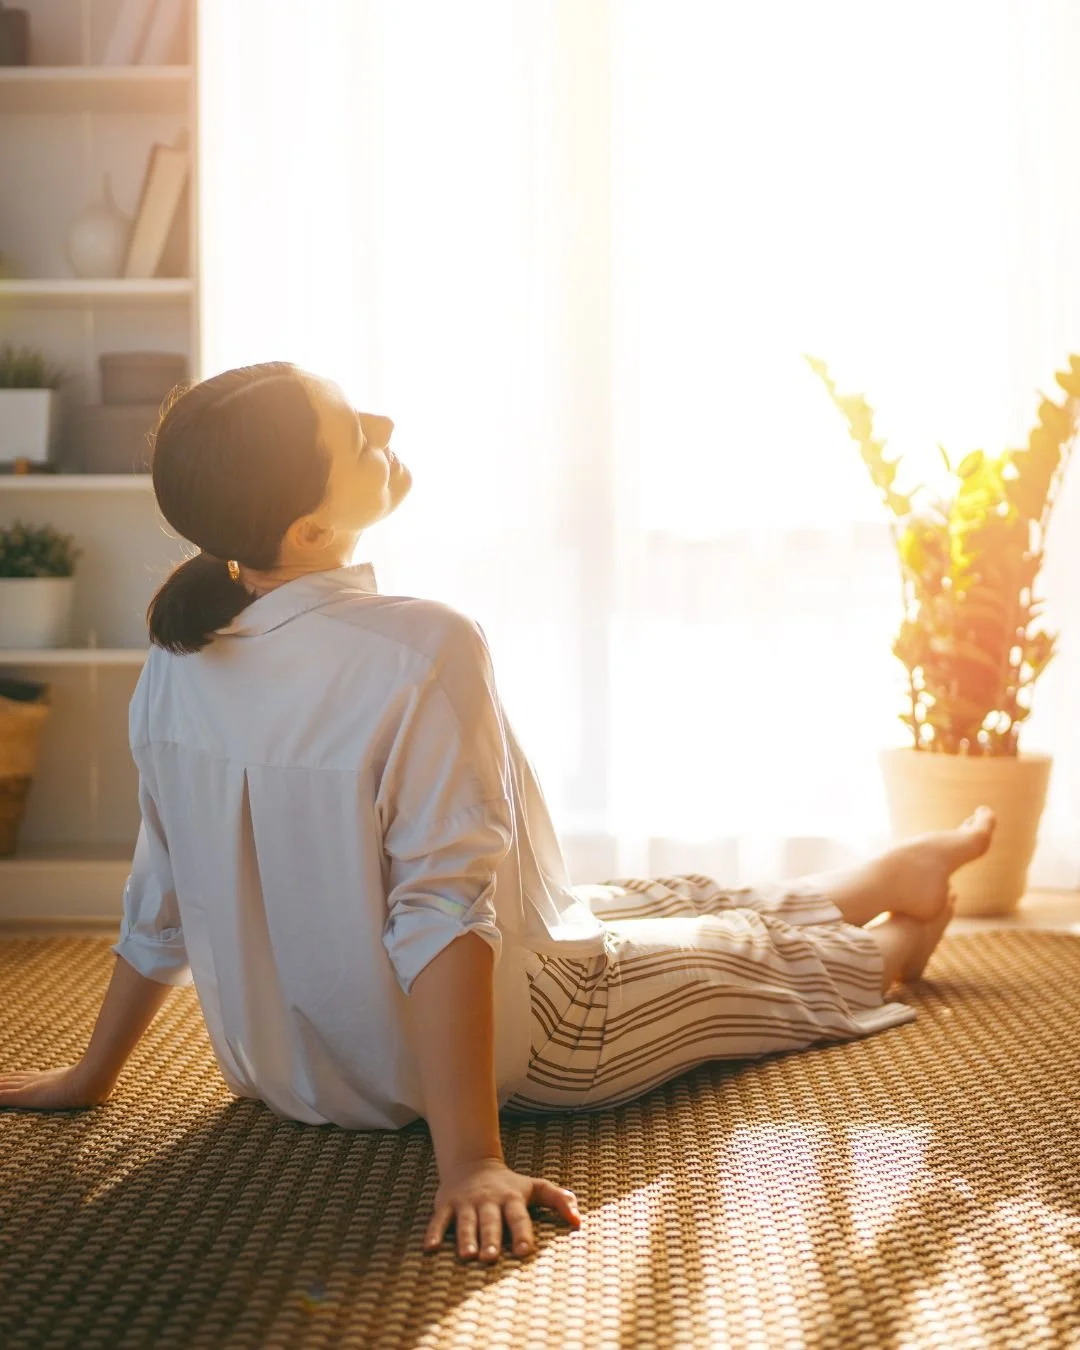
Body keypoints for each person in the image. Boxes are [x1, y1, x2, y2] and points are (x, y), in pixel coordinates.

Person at [0, 362, 996, 1266]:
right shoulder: (421, 647)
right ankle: (898, 940)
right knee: (745, 962)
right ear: (306, 532)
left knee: (648, 896)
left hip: (287, 1071)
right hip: (539, 1038)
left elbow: (163, 890)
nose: (385, 422)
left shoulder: (177, 659)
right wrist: (472, 1160)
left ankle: (880, 876)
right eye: (355, 432)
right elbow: (441, 912)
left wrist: (93, 1073)